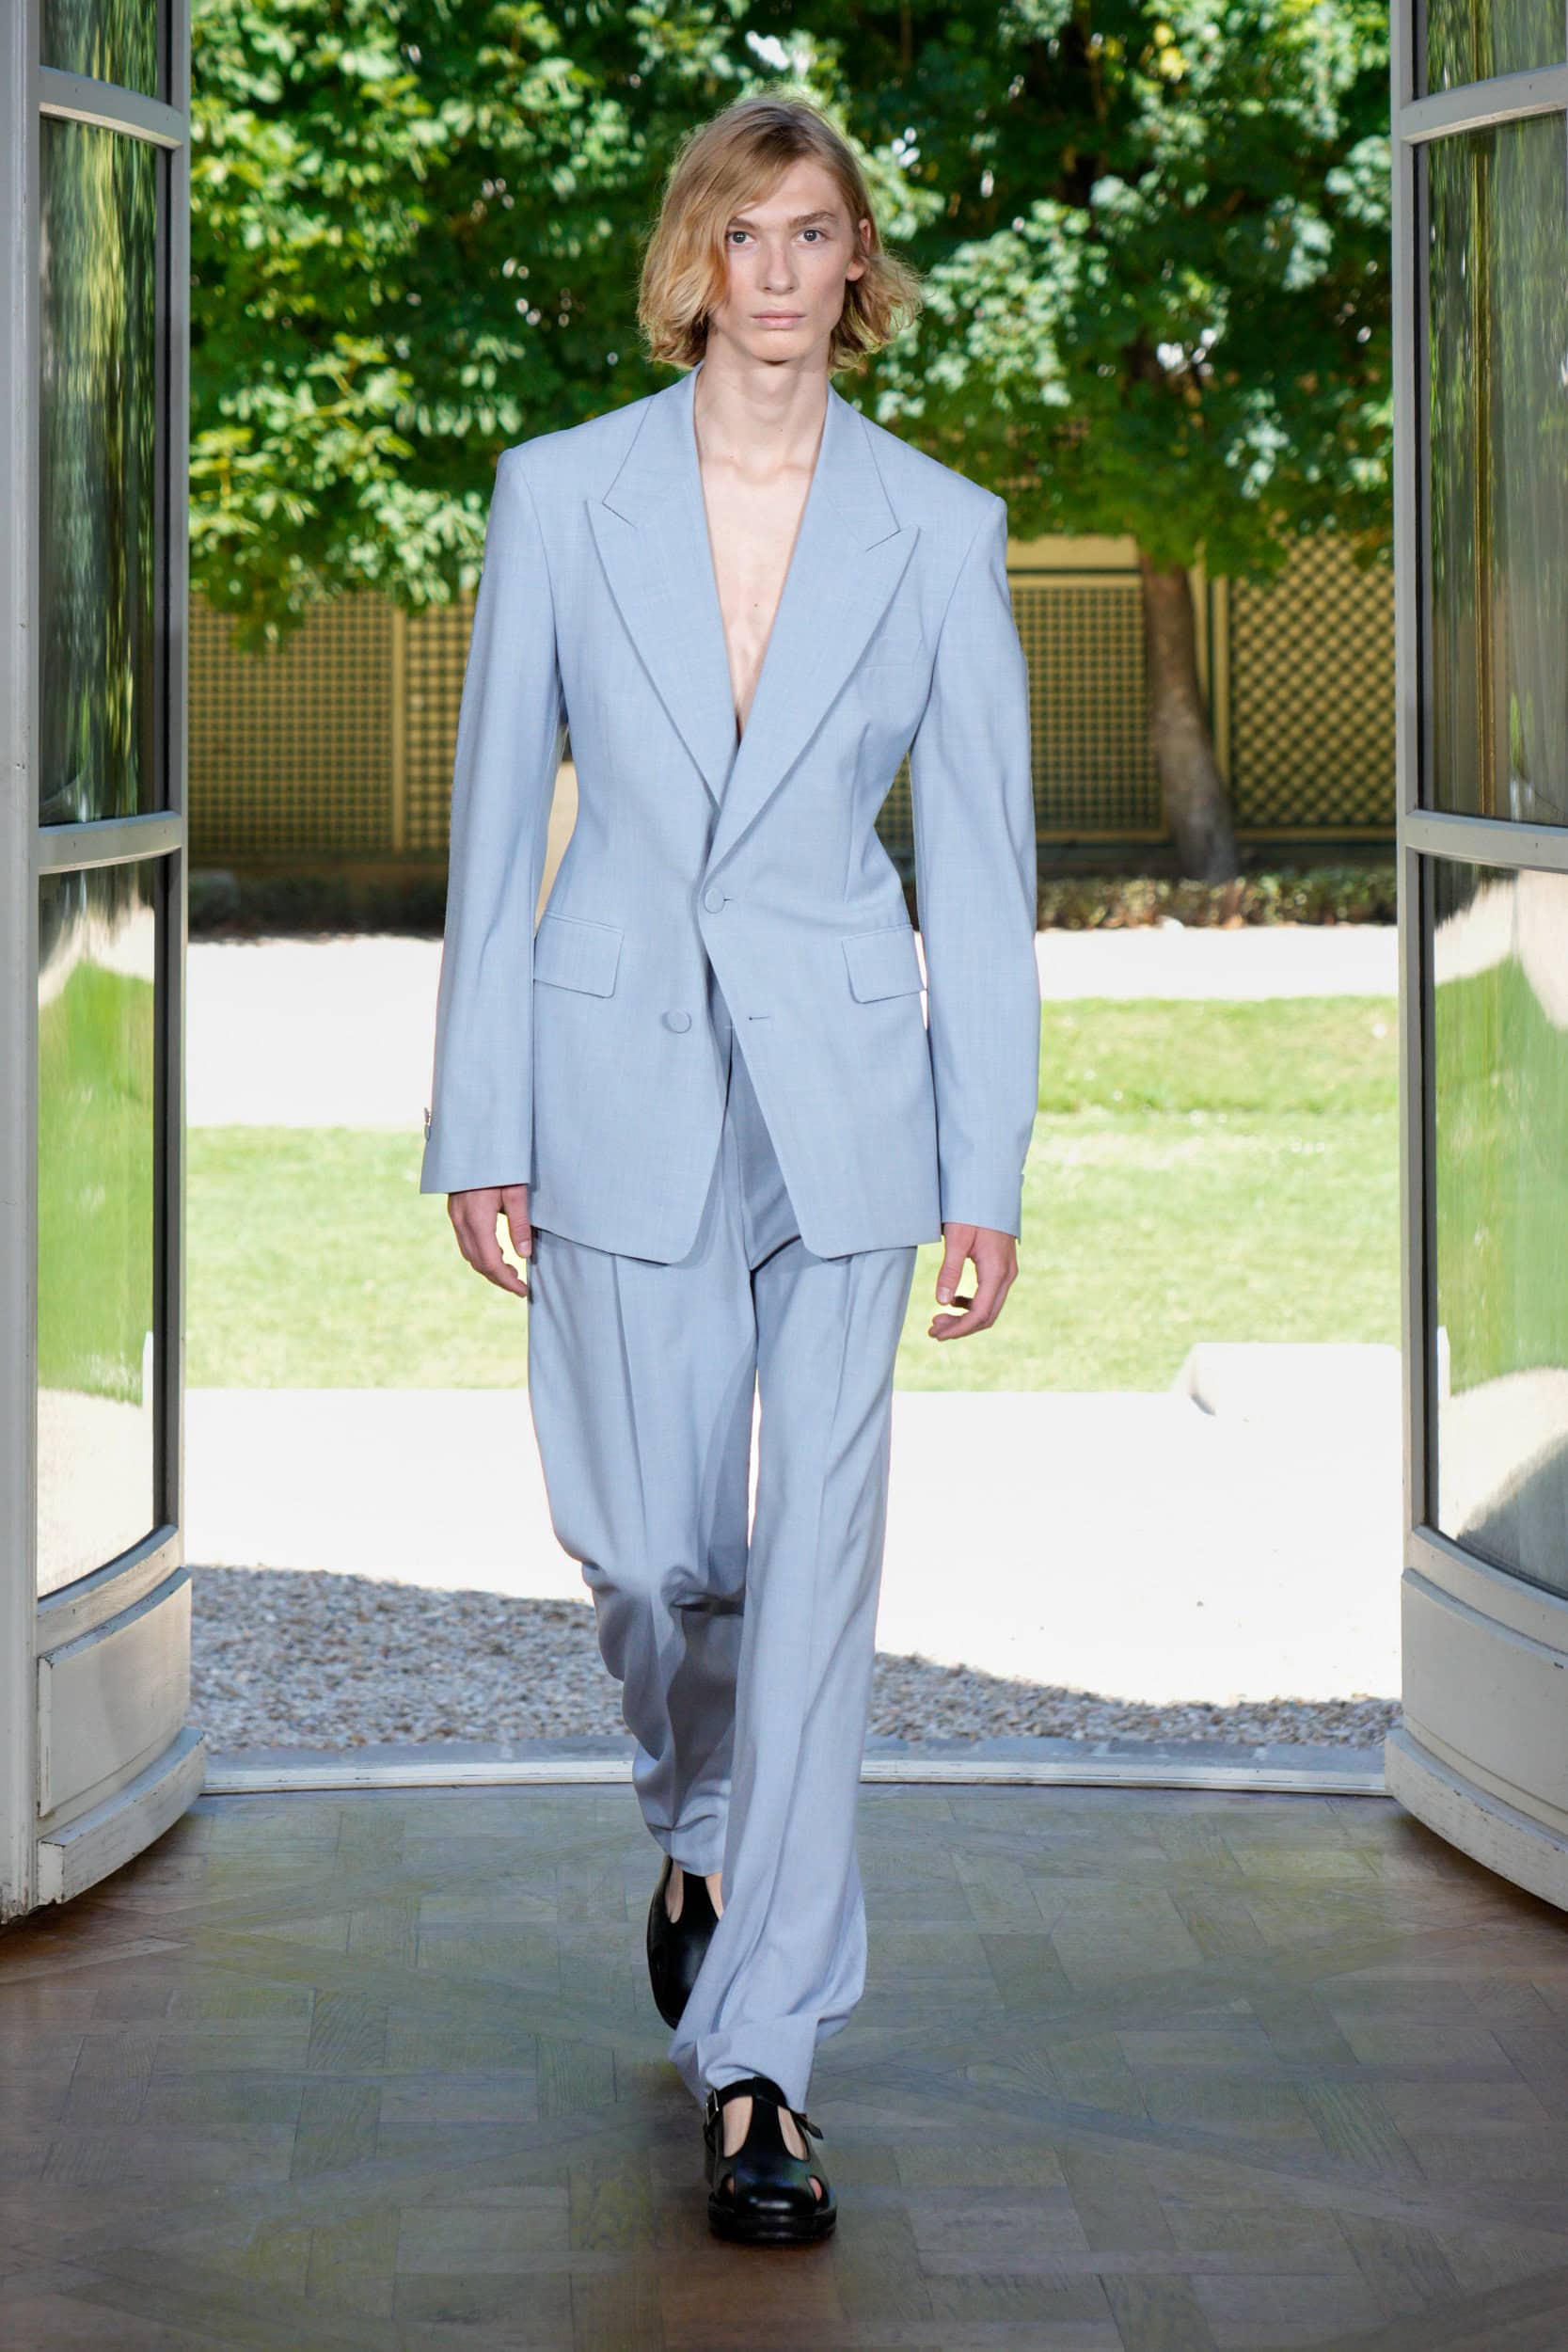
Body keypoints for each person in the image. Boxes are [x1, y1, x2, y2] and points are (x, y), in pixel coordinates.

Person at [420, 91, 1040, 2245]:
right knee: (649, 1548)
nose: (779, 271)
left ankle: (765, 2054)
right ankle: (693, 1816)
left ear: (859, 266)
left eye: (815, 234)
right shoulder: (560, 491)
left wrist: (987, 1160)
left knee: (819, 1581)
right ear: (695, 262)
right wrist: (478, 1114)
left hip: (850, 1101)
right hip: (610, 1074)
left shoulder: (938, 528)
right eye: (745, 234)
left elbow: (983, 869)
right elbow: (494, 820)